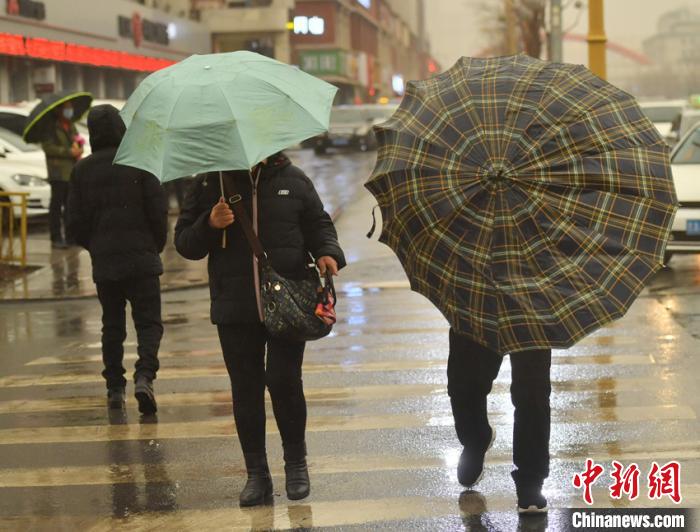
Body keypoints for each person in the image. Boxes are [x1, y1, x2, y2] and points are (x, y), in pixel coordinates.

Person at [175, 152, 345, 507]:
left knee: (284, 381)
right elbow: (185, 244)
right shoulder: (210, 182)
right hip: (234, 305)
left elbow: (318, 223)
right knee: (246, 389)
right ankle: (257, 475)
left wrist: (329, 251)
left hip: (288, 303)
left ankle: (296, 465)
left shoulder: (293, 179)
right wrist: (209, 224)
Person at [67, 104, 168, 415]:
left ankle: (114, 388)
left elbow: (73, 223)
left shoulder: (81, 170)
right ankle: (145, 376)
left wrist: (96, 245)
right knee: (148, 323)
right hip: (143, 259)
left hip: (106, 263)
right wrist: (155, 245)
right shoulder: (140, 162)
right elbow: (158, 211)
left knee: (112, 326)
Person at [449, 331, 550, 514]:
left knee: (532, 390)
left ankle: (531, 479)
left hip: (532, 308)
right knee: (464, 379)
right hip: (476, 305)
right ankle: (476, 438)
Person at [42, 101, 83, 249]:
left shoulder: (71, 125)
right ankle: (56, 238)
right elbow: (48, 148)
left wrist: (79, 148)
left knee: (70, 206)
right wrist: (68, 152)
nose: (69, 110)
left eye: (70, 107)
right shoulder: (51, 128)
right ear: (59, 110)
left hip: (71, 171)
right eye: (66, 108)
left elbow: (78, 140)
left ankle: (71, 237)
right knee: (56, 206)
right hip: (58, 172)